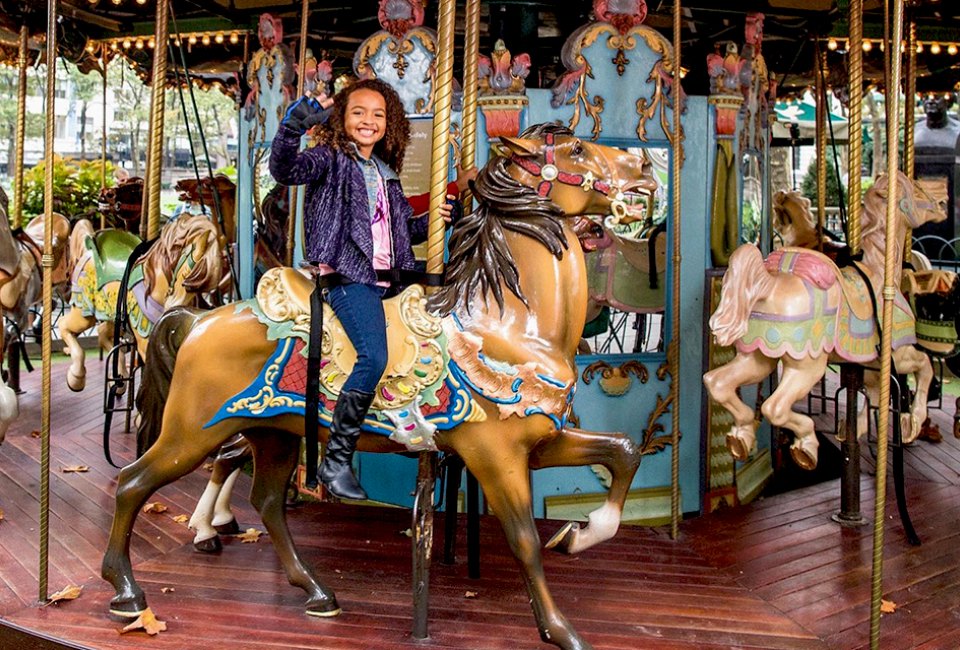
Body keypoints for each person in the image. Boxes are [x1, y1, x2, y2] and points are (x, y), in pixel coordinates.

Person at [270, 79, 462, 501]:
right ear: (341, 118)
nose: (368, 121)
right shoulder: (328, 160)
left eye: (378, 114)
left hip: (388, 280)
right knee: (374, 355)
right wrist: (291, 129)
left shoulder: (385, 173)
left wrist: (436, 219)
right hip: (346, 277)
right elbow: (285, 171)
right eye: (358, 112)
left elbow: (400, 235)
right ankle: (336, 461)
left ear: (389, 123)